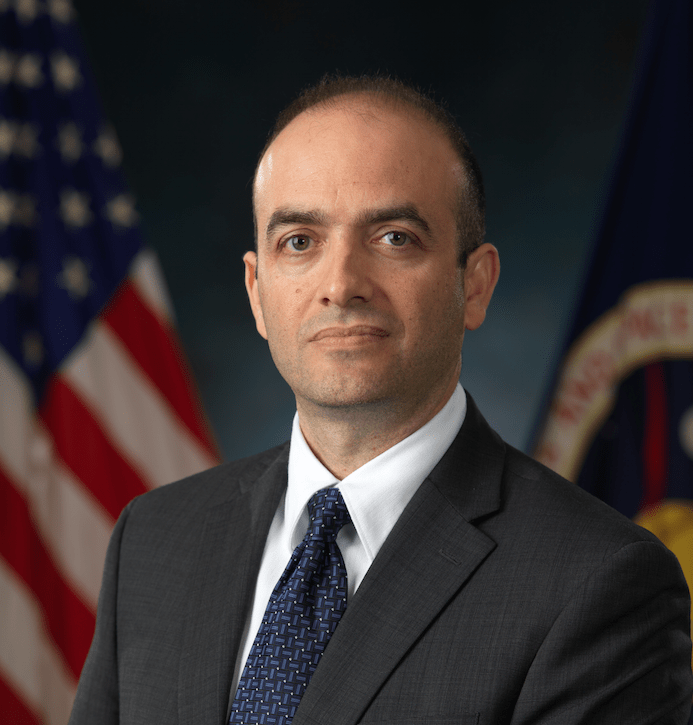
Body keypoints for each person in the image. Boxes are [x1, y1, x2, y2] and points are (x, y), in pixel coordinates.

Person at [69, 74, 693, 725]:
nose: (340, 284)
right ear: (257, 292)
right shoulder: (153, 541)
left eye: (393, 237)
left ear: (474, 284)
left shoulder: (597, 581)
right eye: (300, 242)